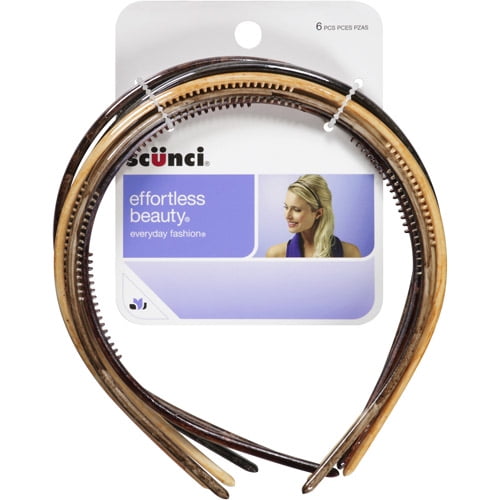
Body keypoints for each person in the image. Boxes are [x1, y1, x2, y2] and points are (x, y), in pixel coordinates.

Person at [265, 174, 361, 258]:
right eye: (286, 207)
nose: (287, 216)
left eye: (296, 210)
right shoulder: (275, 255)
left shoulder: (350, 253)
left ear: (318, 213)